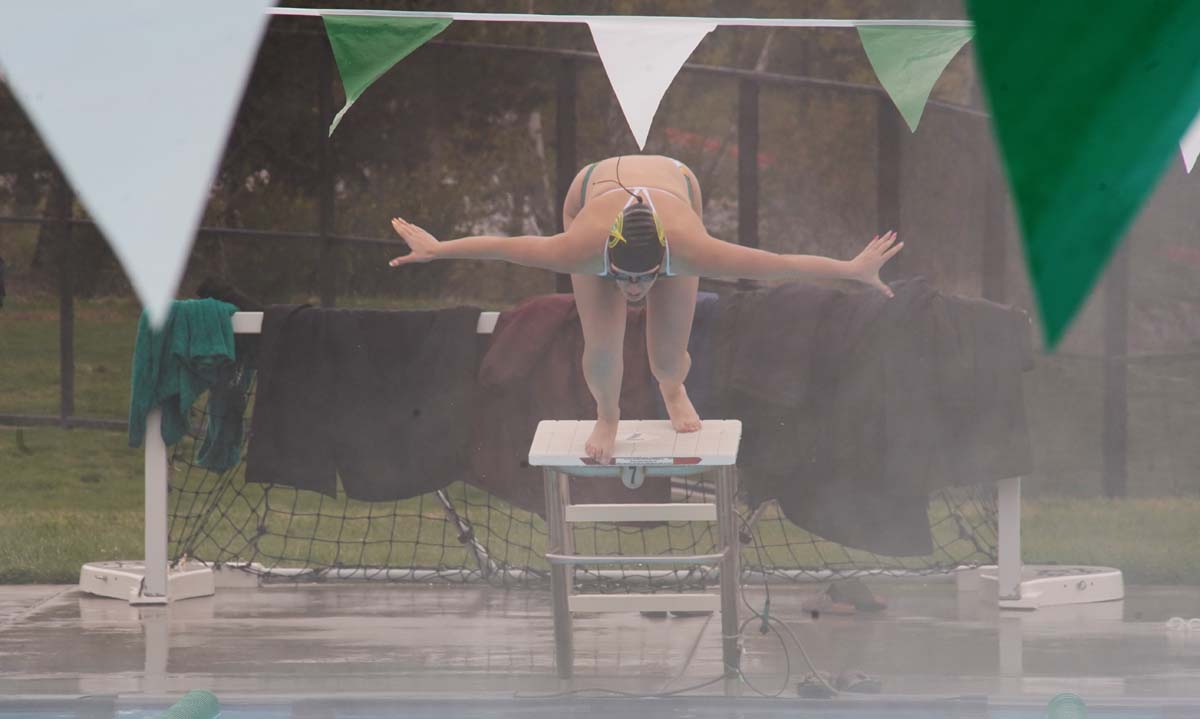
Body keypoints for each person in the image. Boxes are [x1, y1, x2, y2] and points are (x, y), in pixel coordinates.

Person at [388, 154, 902, 464]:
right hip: (593, 189)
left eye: (646, 278)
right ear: (608, 258)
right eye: (624, 277)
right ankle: (606, 415)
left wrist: (851, 268)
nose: (634, 290)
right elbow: (506, 246)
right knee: (603, 345)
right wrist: (438, 248)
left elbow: (776, 264)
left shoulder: (690, 249)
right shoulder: (580, 247)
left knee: (667, 357)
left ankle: (672, 388)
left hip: (676, 185)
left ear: (663, 262)